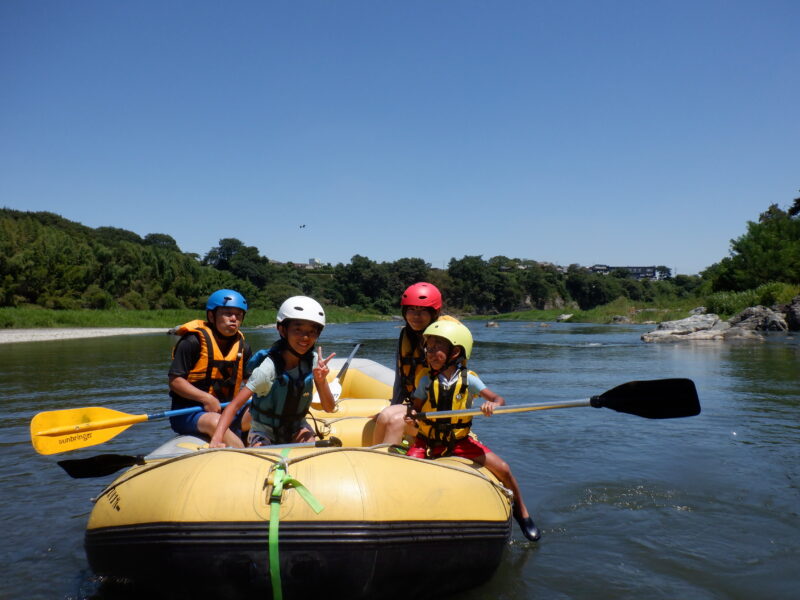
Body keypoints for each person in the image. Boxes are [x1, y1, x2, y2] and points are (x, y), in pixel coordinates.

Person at [405, 319, 541, 542]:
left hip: (460, 442)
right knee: (408, 470)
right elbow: (415, 409)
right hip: (427, 442)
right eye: (429, 348)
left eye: (437, 347)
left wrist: (493, 405)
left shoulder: (470, 380)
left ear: (455, 351)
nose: (431, 353)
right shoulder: (425, 380)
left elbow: (498, 399)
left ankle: (522, 512)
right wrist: (411, 416)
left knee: (504, 469)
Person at [210, 296, 336, 448]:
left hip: (297, 427)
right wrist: (217, 439)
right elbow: (234, 406)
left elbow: (329, 408)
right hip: (264, 430)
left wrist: (321, 381)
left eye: (312, 331)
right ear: (282, 330)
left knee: (311, 447)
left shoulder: (313, 362)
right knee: (261, 453)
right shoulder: (267, 369)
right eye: (298, 329)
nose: (305, 337)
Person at [168, 289, 252, 448]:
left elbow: (251, 381)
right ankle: (247, 456)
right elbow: (175, 381)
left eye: (239, 315)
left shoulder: (243, 348)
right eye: (227, 314)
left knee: (263, 409)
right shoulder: (192, 342)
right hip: (190, 412)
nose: (234, 319)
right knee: (216, 421)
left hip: (228, 409)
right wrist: (206, 398)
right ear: (212, 316)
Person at [372, 282, 449, 446]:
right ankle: (375, 459)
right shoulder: (406, 335)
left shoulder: (444, 340)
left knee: (395, 422)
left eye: (422, 311)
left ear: (434, 313)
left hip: (439, 410)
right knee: (385, 416)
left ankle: (386, 464)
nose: (415, 316)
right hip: (416, 404)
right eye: (411, 310)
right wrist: (394, 406)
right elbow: (401, 379)